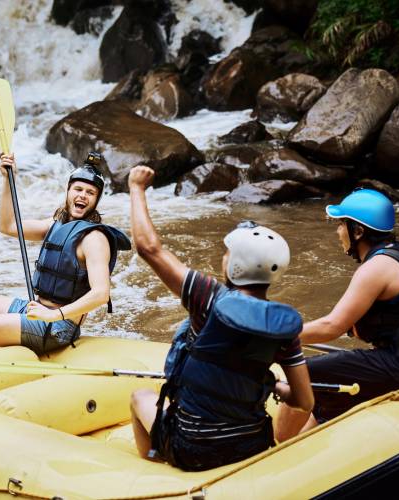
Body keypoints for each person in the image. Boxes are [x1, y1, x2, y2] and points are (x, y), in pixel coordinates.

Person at [127, 165, 314, 471]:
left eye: (227, 254)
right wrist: (277, 387)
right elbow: (304, 402)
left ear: (237, 265)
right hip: (252, 445)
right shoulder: (283, 327)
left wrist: (136, 187)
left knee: (140, 397)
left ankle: (153, 472)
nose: (223, 257)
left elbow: (149, 248)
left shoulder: (207, 297)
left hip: (192, 448)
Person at [0, 152, 131, 359]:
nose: (82, 196)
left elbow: (101, 293)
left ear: (96, 201)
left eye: (90, 192)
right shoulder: (55, 225)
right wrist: (9, 179)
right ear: (68, 191)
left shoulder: (93, 238)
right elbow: (8, 226)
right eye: (78, 189)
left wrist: (54, 315)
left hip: (57, 325)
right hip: (36, 310)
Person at [276, 188, 399, 439]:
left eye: (340, 225)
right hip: (397, 356)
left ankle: (277, 445)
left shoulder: (376, 268)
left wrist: (279, 336)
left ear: (358, 231)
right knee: (334, 382)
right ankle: (305, 442)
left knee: (305, 371)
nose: (338, 232)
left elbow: (331, 327)